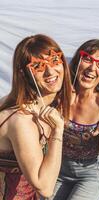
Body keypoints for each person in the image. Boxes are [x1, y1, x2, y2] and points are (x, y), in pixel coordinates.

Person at [0, 34, 72, 199]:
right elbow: (45, 188)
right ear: (24, 74)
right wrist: (57, 132)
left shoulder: (43, 106)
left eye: (55, 60)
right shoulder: (21, 120)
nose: (50, 71)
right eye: (38, 66)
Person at [50, 39, 99, 200]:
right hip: (58, 168)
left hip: (90, 173)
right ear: (77, 62)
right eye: (88, 59)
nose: (92, 67)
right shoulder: (61, 92)